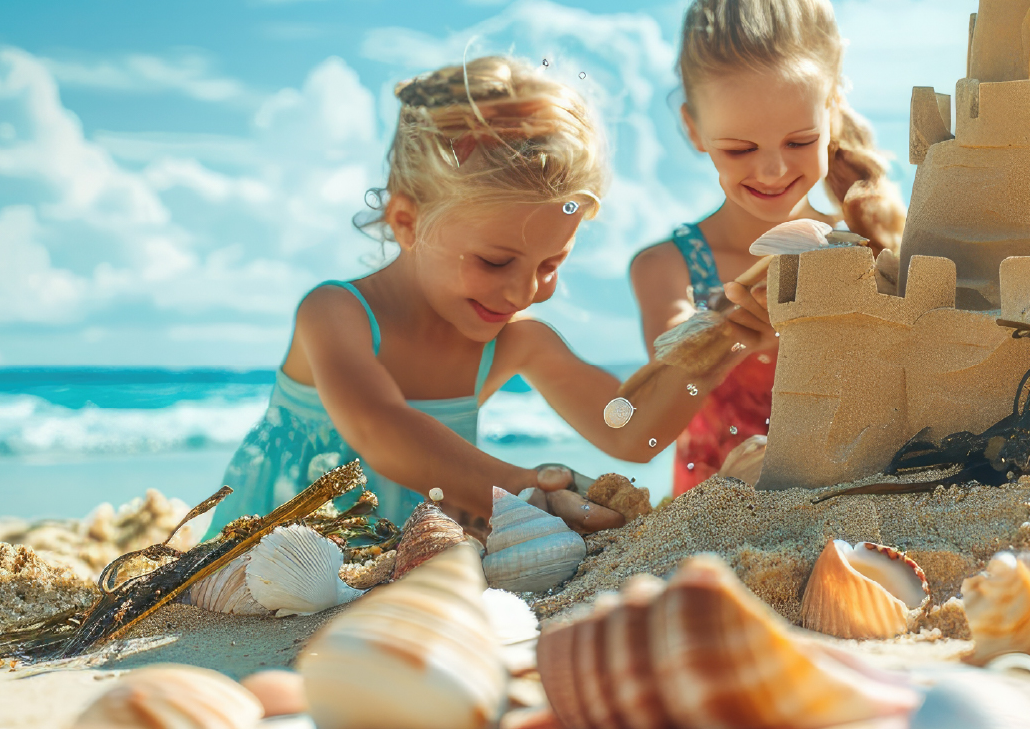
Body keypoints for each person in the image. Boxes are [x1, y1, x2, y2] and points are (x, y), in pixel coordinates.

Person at [210, 56, 718, 531]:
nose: (523, 292)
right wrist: (524, 490)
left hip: (396, 572)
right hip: (265, 567)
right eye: (494, 262)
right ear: (407, 223)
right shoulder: (335, 313)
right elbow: (381, 431)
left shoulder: (518, 341)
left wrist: (724, 340)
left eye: (550, 264)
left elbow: (634, 434)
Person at [627, 0, 907, 494]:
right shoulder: (668, 268)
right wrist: (729, 336)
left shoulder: (861, 250)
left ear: (831, 112)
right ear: (693, 130)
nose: (774, 170)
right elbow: (662, 400)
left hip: (846, 507)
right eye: (739, 149)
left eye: (800, 140)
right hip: (713, 530)